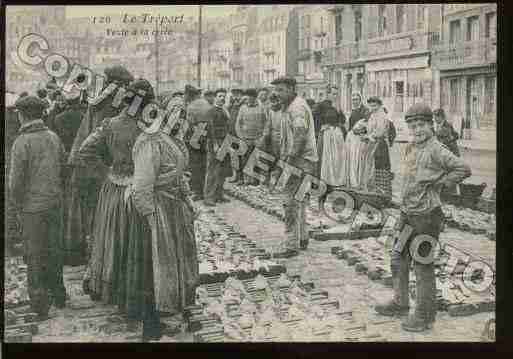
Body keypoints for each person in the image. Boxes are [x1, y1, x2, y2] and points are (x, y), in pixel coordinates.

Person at [375, 103, 471, 332]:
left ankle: (424, 316)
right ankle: (400, 302)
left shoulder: (436, 148)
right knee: (398, 257)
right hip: (407, 213)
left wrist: (441, 184)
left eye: (422, 125)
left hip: (427, 217)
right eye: (413, 125)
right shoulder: (410, 147)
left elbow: (463, 168)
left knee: (422, 265)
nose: (417, 129)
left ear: (431, 125)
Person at [78, 79, 152, 307]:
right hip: (140, 191)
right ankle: (135, 294)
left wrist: (106, 172)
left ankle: (115, 289)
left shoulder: (110, 123)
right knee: (138, 244)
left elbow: (85, 150)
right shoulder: (149, 127)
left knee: (114, 239)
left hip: (115, 190)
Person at [132, 98, 199, 341]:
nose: (179, 119)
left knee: (173, 263)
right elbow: (142, 184)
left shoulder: (175, 140)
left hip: (174, 208)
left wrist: (188, 200)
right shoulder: (151, 141)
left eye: (183, 115)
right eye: (174, 113)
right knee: (154, 267)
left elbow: (180, 175)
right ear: (162, 114)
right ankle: (150, 327)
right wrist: (149, 216)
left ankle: (163, 316)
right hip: (156, 209)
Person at [68, 65, 134, 267]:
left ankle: (87, 254)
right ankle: (98, 260)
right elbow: (105, 139)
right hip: (94, 164)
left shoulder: (99, 98)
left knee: (87, 213)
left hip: (83, 163)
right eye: (126, 84)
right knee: (100, 215)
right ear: (119, 83)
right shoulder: (110, 104)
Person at [9, 95, 67, 320]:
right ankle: (59, 294)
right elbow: (64, 168)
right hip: (54, 203)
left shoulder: (21, 143)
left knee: (34, 255)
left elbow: (15, 183)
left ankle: (40, 303)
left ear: (22, 115)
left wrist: (17, 204)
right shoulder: (53, 137)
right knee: (54, 250)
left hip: (32, 208)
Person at [271, 77, 318, 257]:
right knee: (300, 199)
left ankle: (291, 245)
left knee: (290, 202)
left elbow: (299, 135)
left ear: (291, 89)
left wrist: (289, 161)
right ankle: (303, 237)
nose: (277, 94)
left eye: (281, 90)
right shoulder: (291, 106)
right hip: (304, 160)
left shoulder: (297, 108)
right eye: (276, 90)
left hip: (299, 161)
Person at [53, 88, 88, 265]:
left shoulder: (58, 119)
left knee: (67, 205)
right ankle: (80, 246)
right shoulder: (84, 117)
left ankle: (68, 246)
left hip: (65, 164)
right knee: (80, 206)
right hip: (81, 164)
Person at [203, 89, 232, 206]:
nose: (222, 98)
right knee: (213, 171)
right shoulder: (211, 111)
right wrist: (215, 144)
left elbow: (227, 128)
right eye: (220, 96)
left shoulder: (224, 111)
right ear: (215, 97)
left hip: (224, 142)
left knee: (223, 170)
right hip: (214, 143)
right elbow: (210, 129)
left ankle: (219, 194)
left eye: (224, 96)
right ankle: (208, 197)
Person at [184, 84, 212, 200]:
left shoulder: (191, 106)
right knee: (203, 164)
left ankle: (196, 191)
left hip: (195, 136)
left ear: (189, 95)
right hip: (205, 136)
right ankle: (202, 190)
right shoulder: (206, 103)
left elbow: (189, 124)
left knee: (194, 165)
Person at [235, 88, 268, 185]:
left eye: (251, 97)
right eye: (248, 97)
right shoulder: (243, 108)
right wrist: (241, 136)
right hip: (245, 139)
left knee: (258, 160)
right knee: (245, 159)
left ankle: (255, 181)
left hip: (258, 139)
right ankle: (245, 180)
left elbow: (266, 123)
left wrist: (263, 137)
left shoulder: (262, 108)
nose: (249, 99)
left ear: (255, 97)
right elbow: (238, 123)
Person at [317, 105, 347, 208]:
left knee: (326, 184)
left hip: (329, 163)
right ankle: (334, 206)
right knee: (335, 184)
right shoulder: (338, 130)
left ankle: (322, 206)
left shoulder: (326, 131)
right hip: (335, 163)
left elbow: (319, 149)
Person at [367, 96, 393, 199]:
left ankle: (383, 195)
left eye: (374, 105)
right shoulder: (373, 115)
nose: (373, 107)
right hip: (374, 144)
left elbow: (380, 132)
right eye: (371, 105)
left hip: (380, 145)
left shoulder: (382, 115)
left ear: (379, 105)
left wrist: (369, 136)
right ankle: (378, 193)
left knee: (381, 167)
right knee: (375, 168)